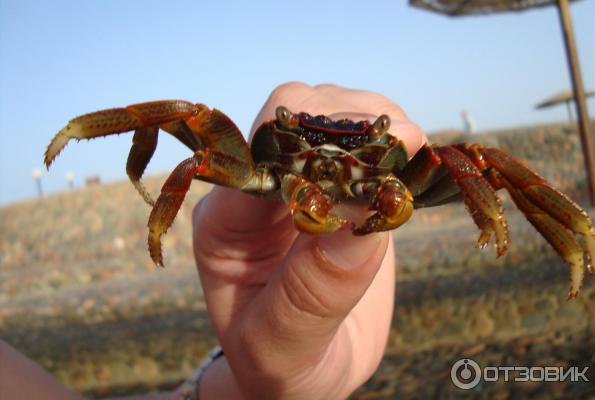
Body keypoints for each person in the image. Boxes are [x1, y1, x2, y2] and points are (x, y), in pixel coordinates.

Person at [0, 83, 426, 400]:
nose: (326, 159)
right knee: (186, 119)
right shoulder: (253, 168)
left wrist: (256, 385)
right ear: (280, 129)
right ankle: (89, 139)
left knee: (469, 159)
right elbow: (179, 137)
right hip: (270, 174)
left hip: (371, 187)